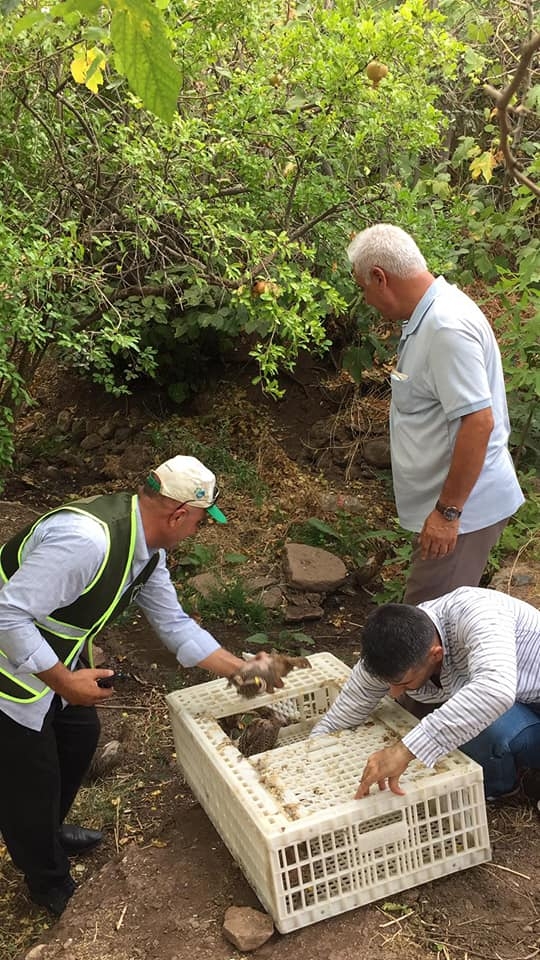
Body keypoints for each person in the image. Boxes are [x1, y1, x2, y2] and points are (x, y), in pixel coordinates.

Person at [0, 454, 273, 916]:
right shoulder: (86, 542)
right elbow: (7, 613)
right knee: (30, 777)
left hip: (51, 657)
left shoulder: (146, 553)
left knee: (80, 736)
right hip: (11, 663)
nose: (198, 533)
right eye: (202, 523)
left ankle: (50, 829)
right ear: (179, 514)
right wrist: (65, 683)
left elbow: (175, 624)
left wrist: (239, 670)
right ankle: (47, 880)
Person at [347, 224, 524, 604]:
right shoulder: (429, 318)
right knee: (439, 625)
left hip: (462, 514)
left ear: (380, 278)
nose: (366, 299)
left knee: (423, 632)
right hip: (455, 510)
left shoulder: (446, 327)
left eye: (363, 288)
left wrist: (447, 513)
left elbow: (479, 422)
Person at [311, 586, 540, 802]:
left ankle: (501, 786)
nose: (393, 693)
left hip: (529, 697)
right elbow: (345, 712)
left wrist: (403, 751)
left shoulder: (480, 616)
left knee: (483, 725)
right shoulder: (393, 646)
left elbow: (495, 691)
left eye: (403, 682)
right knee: (460, 718)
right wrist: (309, 754)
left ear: (435, 654)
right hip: (516, 695)